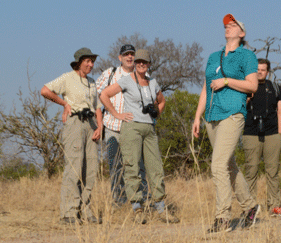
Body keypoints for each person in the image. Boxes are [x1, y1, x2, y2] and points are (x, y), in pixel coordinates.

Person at [193, 14, 260, 233]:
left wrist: (227, 81)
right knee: (228, 165)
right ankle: (251, 207)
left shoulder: (246, 56)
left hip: (233, 113)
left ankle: (222, 218)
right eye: (226, 25)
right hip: (212, 117)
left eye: (233, 25)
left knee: (218, 165)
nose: (228, 27)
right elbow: (206, 87)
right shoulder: (214, 56)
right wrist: (197, 116)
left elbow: (253, 86)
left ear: (242, 33)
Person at [100, 49, 178, 224]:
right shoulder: (126, 80)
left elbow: (162, 100)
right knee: (132, 166)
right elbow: (104, 94)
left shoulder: (153, 82)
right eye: (138, 61)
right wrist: (116, 114)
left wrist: (157, 112)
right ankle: (137, 208)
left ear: (149, 64)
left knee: (155, 167)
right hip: (131, 128)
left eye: (145, 62)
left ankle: (160, 207)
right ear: (135, 63)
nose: (141, 64)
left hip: (149, 128)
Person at [40, 48, 103, 225]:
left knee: (90, 169)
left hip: (91, 125)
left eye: (92, 61)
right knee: (74, 167)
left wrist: (100, 127)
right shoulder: (67, 78)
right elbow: (45, 90)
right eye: (87, 61)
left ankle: (85, 210)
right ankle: (68, 212)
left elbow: (97, 106)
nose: (91, 65)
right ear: (79, 62)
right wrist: (64, 104)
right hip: (75, 122)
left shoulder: (92, 82)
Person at [95, 44, 148, 205]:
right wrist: (102, 121)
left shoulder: (142, 73)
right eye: (126, 54)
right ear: (120, 58)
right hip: (113, 127)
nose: (129, 57)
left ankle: (141, 200)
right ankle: (119, 201)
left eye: (132, 54)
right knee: (115, 165)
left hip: (134, 128)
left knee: (138, 166)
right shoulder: (110, 74)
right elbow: (97, 96)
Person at [243, 58, 281, 217]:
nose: (259, 72)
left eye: (263, 69)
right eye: (257, 69)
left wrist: (280, 133)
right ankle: (249, 209)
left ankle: (274, 207)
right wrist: (248, 95)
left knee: (273, 171)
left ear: (267, 71)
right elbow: (239, 107)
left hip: (272, 133)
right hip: (250, 133)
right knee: (251, 171)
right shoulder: (246, 86)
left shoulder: (274, 87)